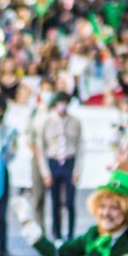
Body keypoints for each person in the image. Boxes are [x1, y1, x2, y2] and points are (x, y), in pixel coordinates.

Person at [37, 93, 82, 241]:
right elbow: (41, 148)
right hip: (54, 161)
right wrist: (45, 172)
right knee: (55, 201)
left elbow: (80, 147)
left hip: (69, 161)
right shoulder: (47, 122)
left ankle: (70, 234)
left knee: (70, 201)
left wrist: (77, 170)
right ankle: (56, 233)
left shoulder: (75, 122)